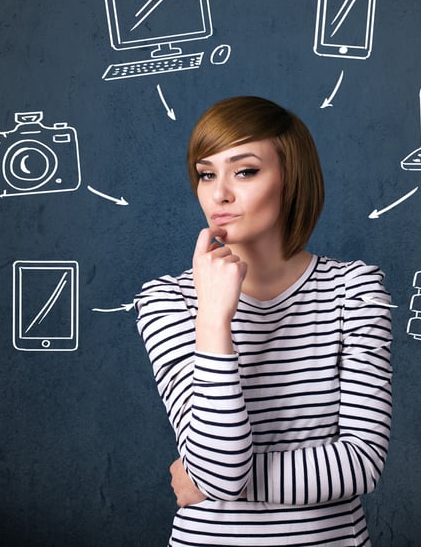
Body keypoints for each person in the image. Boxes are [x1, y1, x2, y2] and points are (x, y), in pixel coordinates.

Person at [135, 96, 393, 546]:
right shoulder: (166, 299)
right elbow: (220, 466)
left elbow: (362, 462)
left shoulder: (354, 290)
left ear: (290, 178)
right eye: (206, 174)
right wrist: (214, 318)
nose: (220, 194)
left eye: (245, 171)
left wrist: (214, 483)